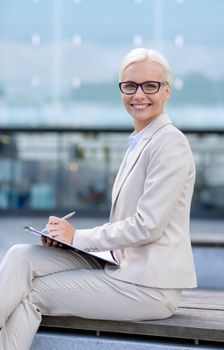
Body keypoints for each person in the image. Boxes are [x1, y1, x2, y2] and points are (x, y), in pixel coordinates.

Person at [0, 47, 197, 350]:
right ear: (121, 90)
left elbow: (148, 226)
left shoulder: (170, 142)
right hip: (120, 266)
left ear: (166, 91)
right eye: (130, 86)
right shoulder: (140, 141)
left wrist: (78, 237)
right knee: (19, 256)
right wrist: (65, 240)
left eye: (150, 86)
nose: (139, 94)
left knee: (33, 293)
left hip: (150, 287)